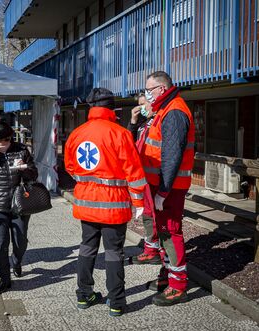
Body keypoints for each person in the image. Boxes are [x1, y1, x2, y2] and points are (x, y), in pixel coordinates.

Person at [64, 88, 147, 317]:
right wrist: (139, 201)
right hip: (114, 206)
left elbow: (70, 167)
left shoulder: (77, 133)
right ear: (112, 108)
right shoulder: (120, 134)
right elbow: (134, 172)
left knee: (87, 248)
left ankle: (84, 295)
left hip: (86, 204)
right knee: (113, 253)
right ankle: (116, 302)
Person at [141, 71, 195, 306]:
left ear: (161, 89)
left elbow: (171, 156)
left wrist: (162, 192)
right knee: (164, 233)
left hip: (169, 187)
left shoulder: (174, 111)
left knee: (170, 233)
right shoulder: (165, 108)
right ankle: (167, 276)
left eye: (149, 90)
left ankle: (178, 286)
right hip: (162, 185)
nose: (147, 95)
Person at [0, 122, 38, 294]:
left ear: (9, 139)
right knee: (0, 243)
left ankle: (17, 260)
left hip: (19, 203)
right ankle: (5, 279)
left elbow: (34, 175)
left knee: (20, 241)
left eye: (0, 142)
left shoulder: (21, 150)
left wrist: (24, 168)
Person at [127, 94, 161, 265]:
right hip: (144, 177)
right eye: (138, 105)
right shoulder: (142, 122)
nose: (141, 108)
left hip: (157, 178)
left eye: (143, 104)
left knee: (155, 215)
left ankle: (157, 252)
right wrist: (133, 121)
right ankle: (151, 249)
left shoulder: (160, 120)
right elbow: (129, 141)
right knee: (147, 214)